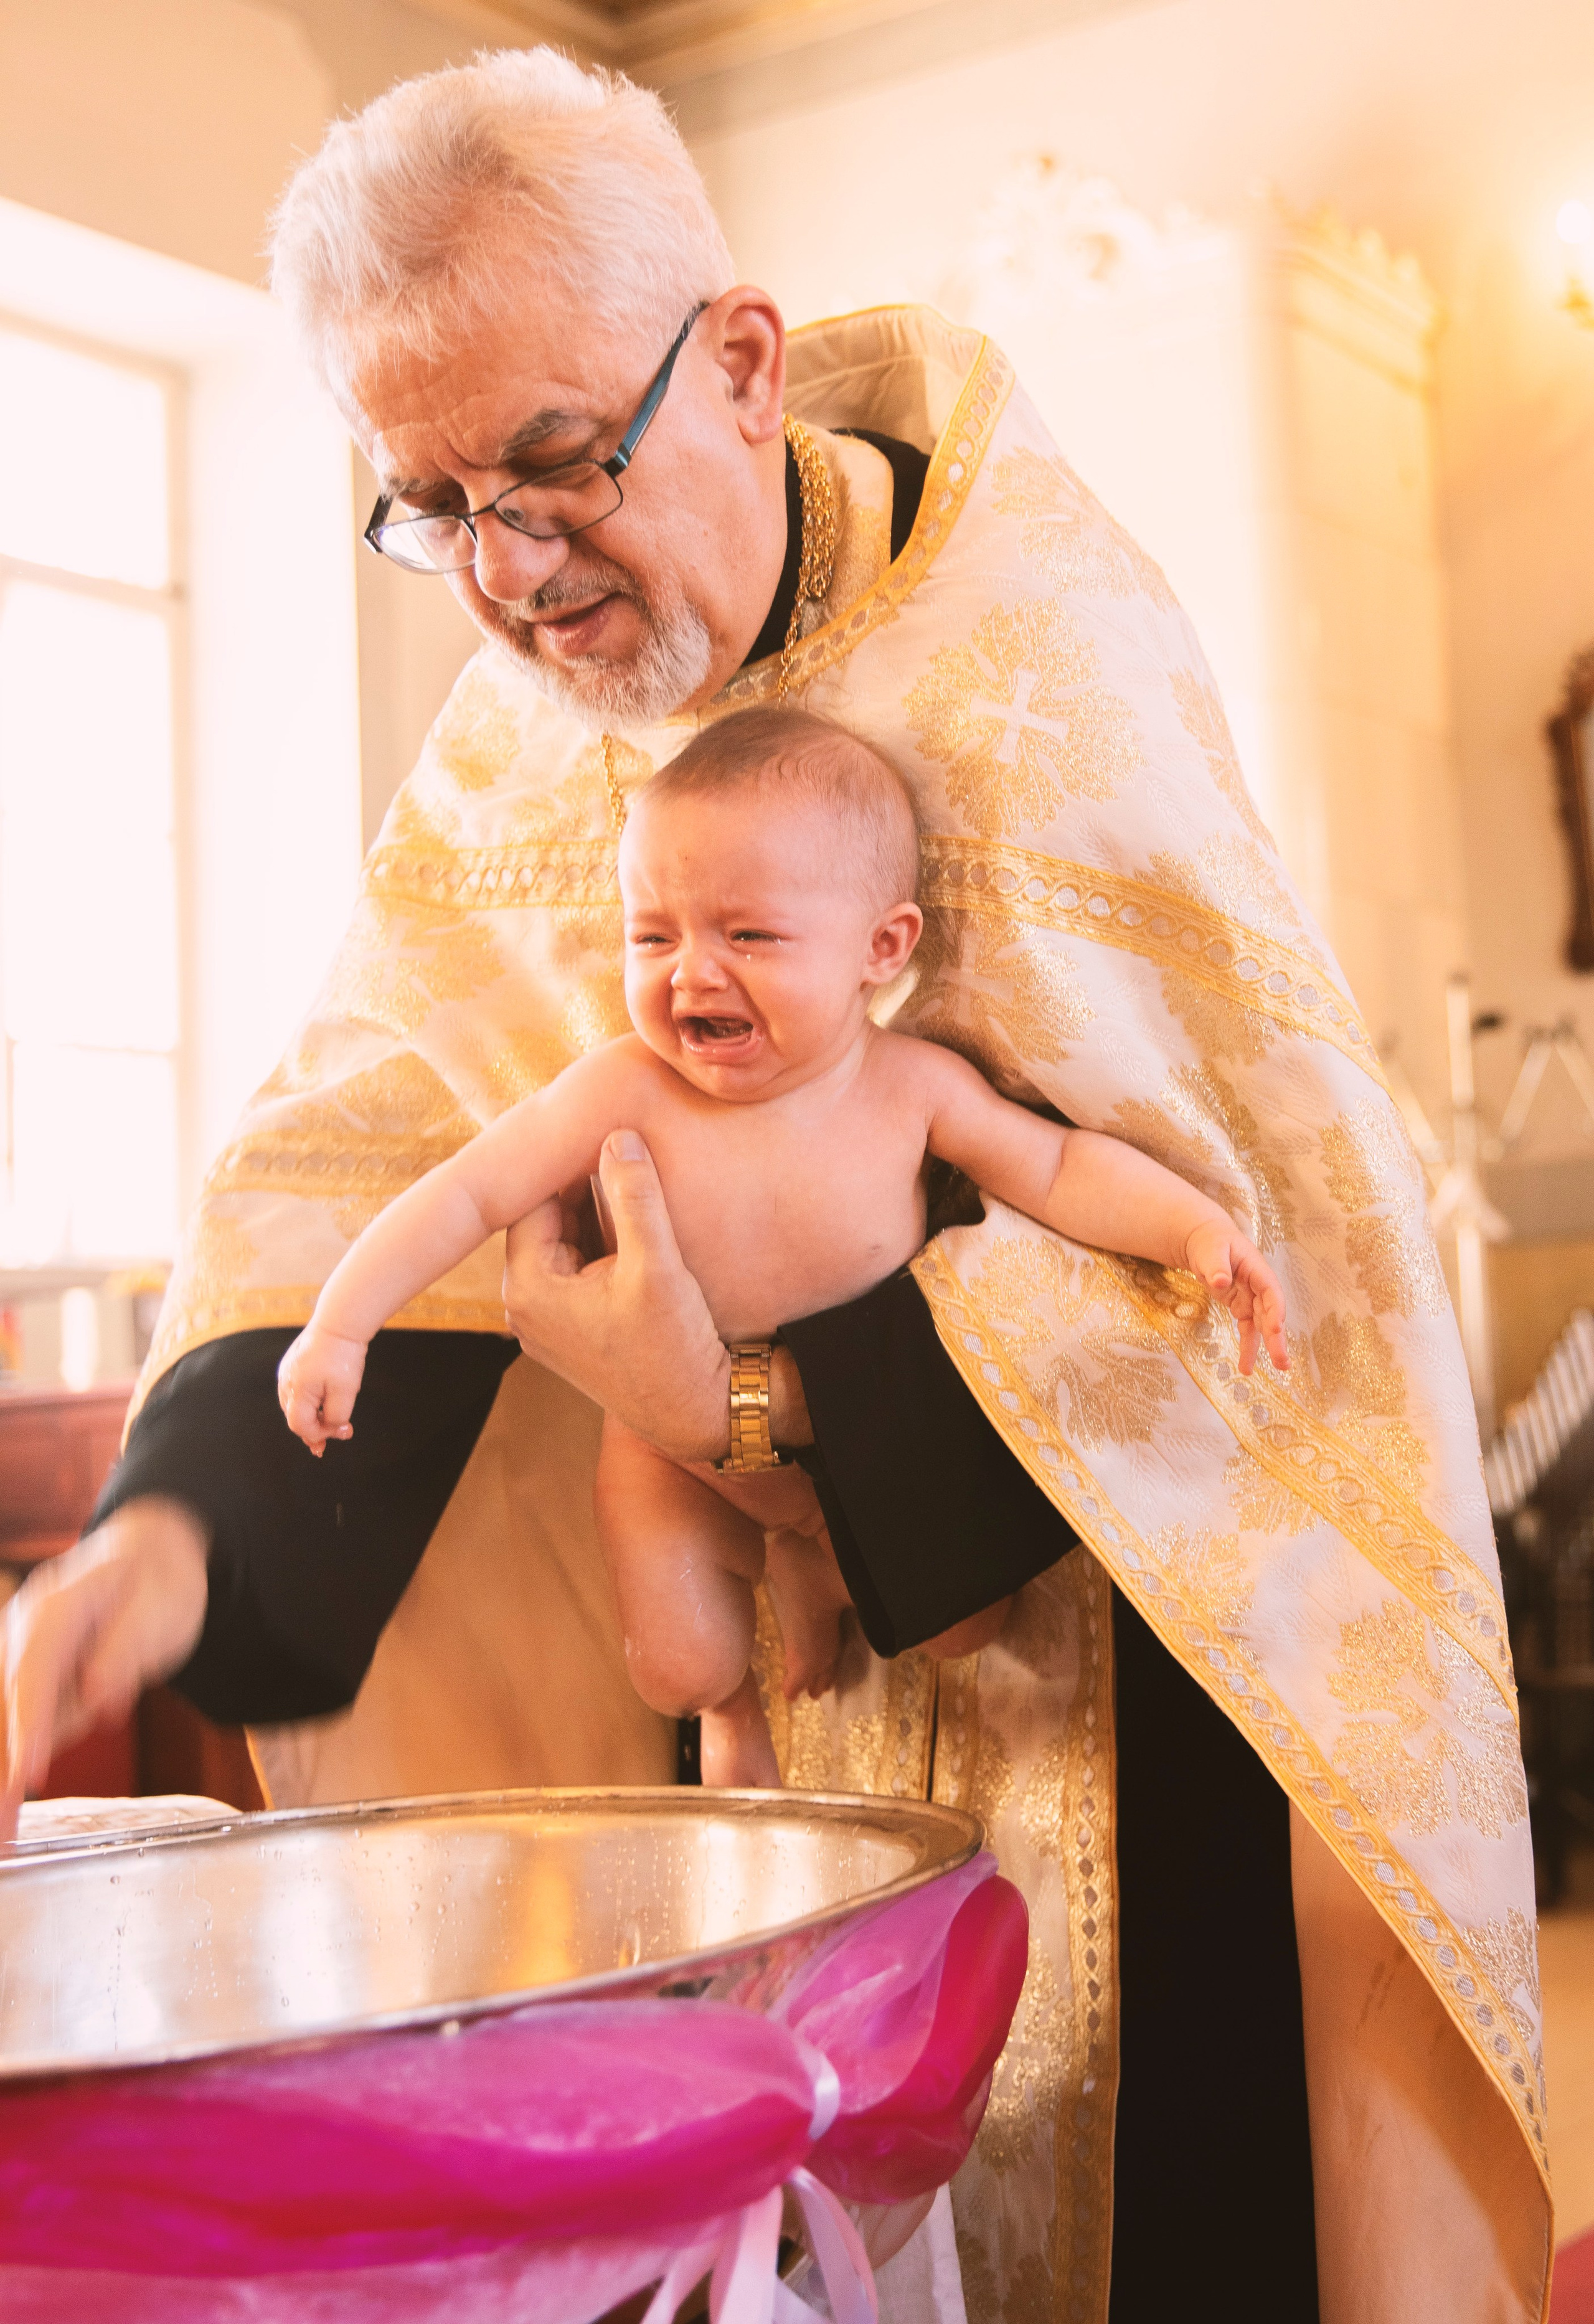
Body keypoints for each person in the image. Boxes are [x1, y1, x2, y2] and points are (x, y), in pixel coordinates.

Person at [0, 48, 1547, 2324]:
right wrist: (163, 1554)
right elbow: (361, 1158)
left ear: (735, 361)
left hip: (1140, 1700)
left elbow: (1230, 1267)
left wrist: (735, 1407)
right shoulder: (520, 735)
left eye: (551, 468)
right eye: (429, 506)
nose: (512, 580)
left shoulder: (1045, 654)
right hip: (746, 1737)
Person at [278, 705, 1289, 1786]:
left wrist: (1194, 1230)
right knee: (676, 1658)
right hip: (665, 1452)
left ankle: (807, 1562)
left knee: (961, 1624)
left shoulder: (912, 1091)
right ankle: (732, 1705)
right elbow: (471, 1191)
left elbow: (1056, 1170)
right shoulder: (626, 1087)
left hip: (850, 1452)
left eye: (748, 935)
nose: (692, 975)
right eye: (653, 935)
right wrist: (342, 1324)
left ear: (882, 948)